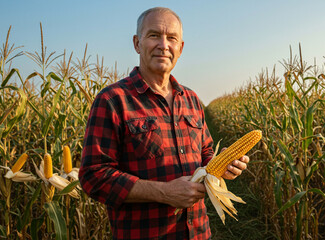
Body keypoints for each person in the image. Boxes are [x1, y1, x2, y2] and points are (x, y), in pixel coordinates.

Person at [79, 7, 249, 240]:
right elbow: (93, 176)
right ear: (137, 43)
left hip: (199, 233)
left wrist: (223, 165)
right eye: (153, 35)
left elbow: (206, 152)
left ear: (180, 48)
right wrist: (163, 193)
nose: (163, 45)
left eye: (172, 38)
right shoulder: (113, 100)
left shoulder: (191, 99)